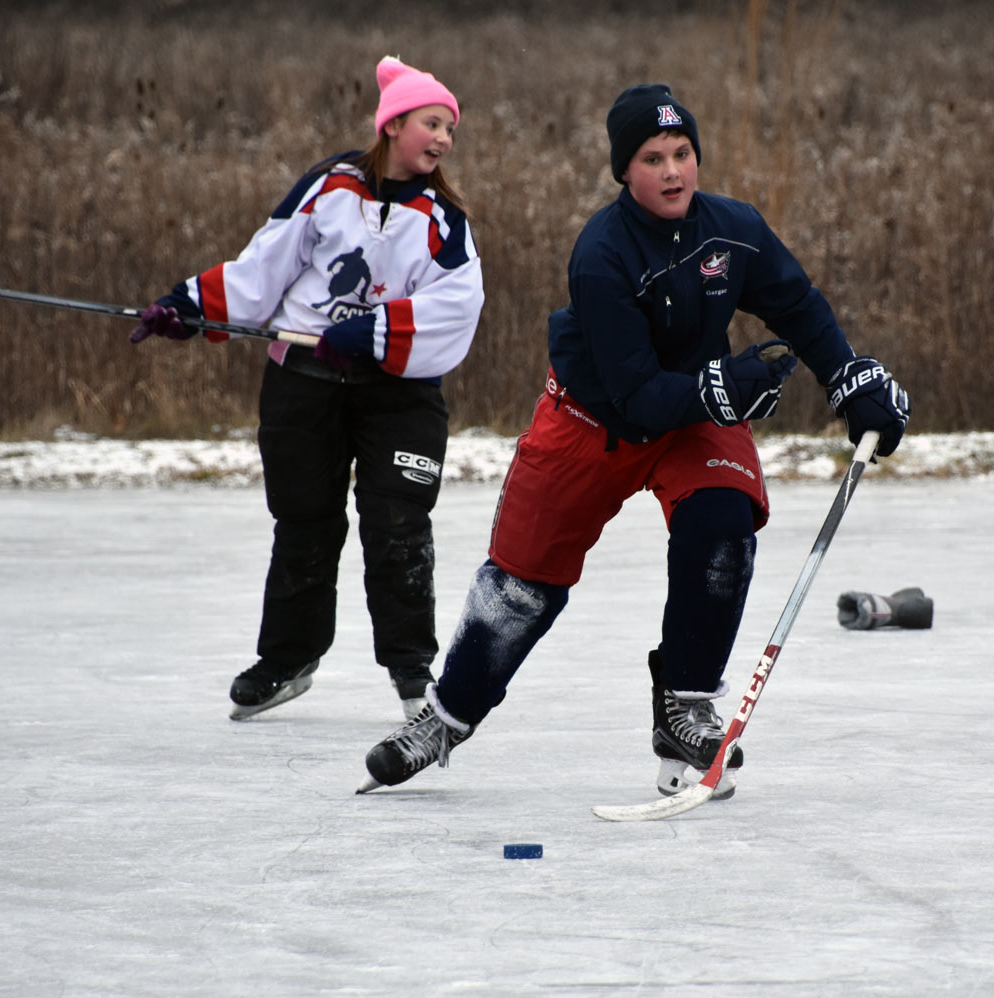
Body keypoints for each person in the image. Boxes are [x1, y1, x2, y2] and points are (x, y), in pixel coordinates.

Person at [357, 83, 909, 796]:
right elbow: (635, 396)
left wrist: (850, 381)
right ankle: (444, 717)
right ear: (624, 170)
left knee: (722, 526)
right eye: (653, 158)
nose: (673, 171)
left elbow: (796, 306)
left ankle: (682, 706)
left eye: (683, 153)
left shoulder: (733, 228)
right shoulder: (602, 254)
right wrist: (729, 385)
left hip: (694, 417)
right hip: (593, 421)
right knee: (519, 590)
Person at [131, 56, 483, 722]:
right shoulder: (330, 187)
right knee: (304, 526)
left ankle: (413, 673)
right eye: (431, 123)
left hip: (397, 399)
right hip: (303, 386)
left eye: (449, 129)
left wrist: (372, 334)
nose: (442, 139)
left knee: (398, 529)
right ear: (393, 124)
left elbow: (457, 305)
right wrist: (187, 305)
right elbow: (265, 266)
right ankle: (288, 660)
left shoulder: (444, 219)